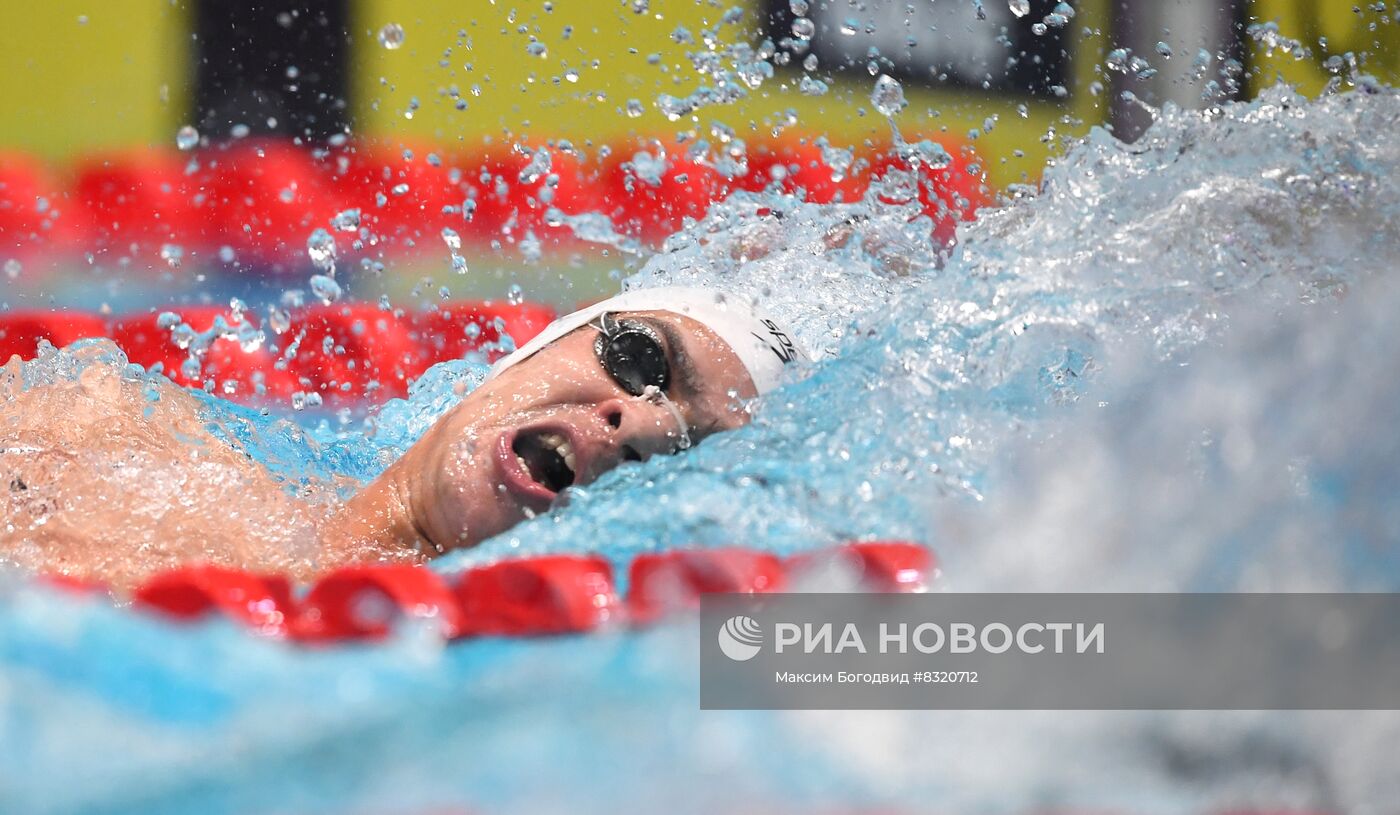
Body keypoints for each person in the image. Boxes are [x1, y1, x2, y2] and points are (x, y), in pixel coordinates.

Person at [0, 286, 805, 587]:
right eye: (639, 357)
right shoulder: (113, 434)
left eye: (686, 450)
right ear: (531, 351)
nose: (637, 422)